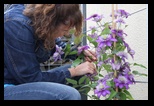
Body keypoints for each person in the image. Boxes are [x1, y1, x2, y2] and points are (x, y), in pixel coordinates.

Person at [4, 4, 97, 100]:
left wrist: (79, 52)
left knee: (81, 72)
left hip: (22, 82)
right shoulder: (17, 25)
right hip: (8, 87)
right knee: (69, 94)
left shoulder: (41, 22)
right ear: (52, 21)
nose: (66, 34)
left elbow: (59, 48)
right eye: (65, 30)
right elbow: (30, 79)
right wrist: (74, 71)